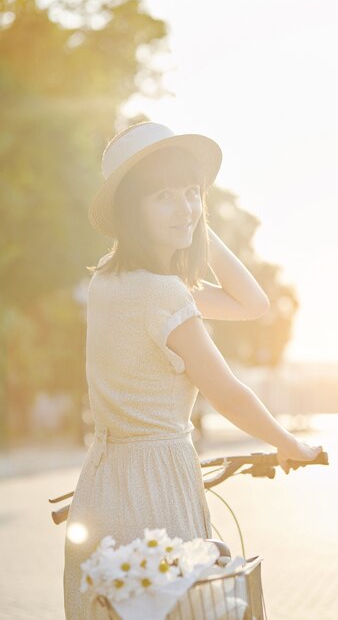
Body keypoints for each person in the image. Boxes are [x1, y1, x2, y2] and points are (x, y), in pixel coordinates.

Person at [63, 121, 324, 618]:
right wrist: (290, 444)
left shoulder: (111, 281)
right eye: (162, 195)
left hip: (102, 483)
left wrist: (190, 220)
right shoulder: (164, 295)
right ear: (129, 209)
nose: (183, 206)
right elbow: (228, 393)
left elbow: (251, 304)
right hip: (156, 487)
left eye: (192, 193)